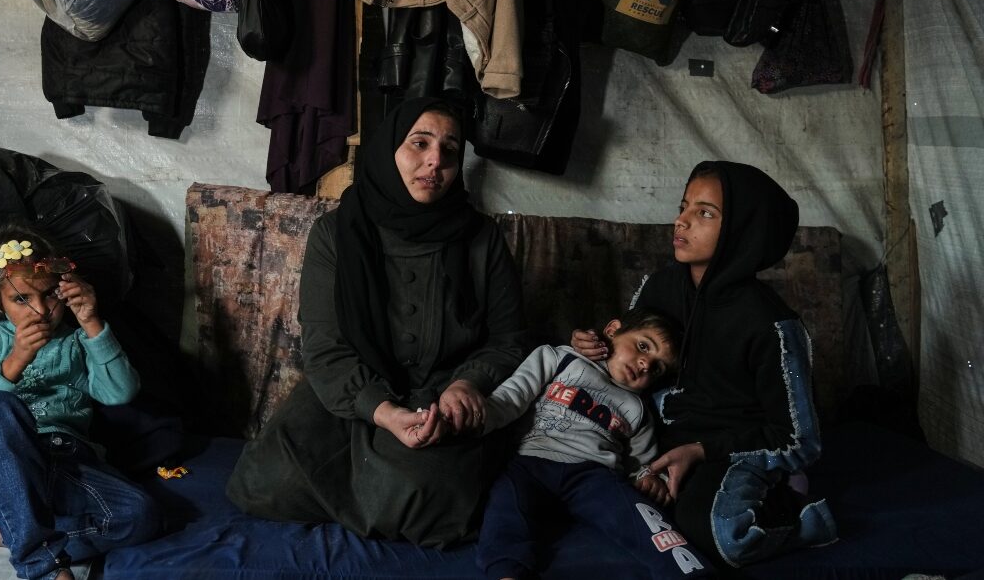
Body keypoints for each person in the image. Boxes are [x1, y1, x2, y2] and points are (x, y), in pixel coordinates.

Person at [225, 97, 527, 547]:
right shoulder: (337, 231)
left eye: (449, 150)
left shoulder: (481, 238)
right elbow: (325, 346)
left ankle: (382, 493)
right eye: (419, 143)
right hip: (351, 391)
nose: (434, 161)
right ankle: (375, 496)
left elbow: (508, 338)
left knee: (430, 502)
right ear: (388, 150)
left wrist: (468, 385)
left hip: (437, 399)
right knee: (264, 482)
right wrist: (383, 411)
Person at [573, 161, 837, 568]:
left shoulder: (771, 324)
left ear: (742, 231)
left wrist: (701, 450)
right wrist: (592, 346)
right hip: (653, 441)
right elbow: (628, 356)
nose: (681, 221)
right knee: (587, 490)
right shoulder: (659, 287)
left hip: (726, 451)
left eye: (705, 214)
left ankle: (800, 513)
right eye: (684, 207)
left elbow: (800, 440)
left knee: (720, 536)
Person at [0, 225, 160, 580]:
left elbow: (119, 393)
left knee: (142, 516)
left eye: (49, 295)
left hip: (64, 465)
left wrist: (91, 323)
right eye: (21, 299)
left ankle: (10, 534)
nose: (40, 311)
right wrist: (16, 360)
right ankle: (42, 567)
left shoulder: (75, 341)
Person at [478, 308, 713, 579]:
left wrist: (650, 478)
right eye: (643, 346)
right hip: (531, 463)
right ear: (613, 330)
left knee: (644, 517)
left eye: (656, 367)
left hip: (594, 477)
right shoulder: (560, 358)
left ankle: (691, 572)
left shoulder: (637, 409)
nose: (645, 364)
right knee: (504, 505)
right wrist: (476, 417)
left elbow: (641, 464)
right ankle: (508, 573)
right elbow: (511, 398)